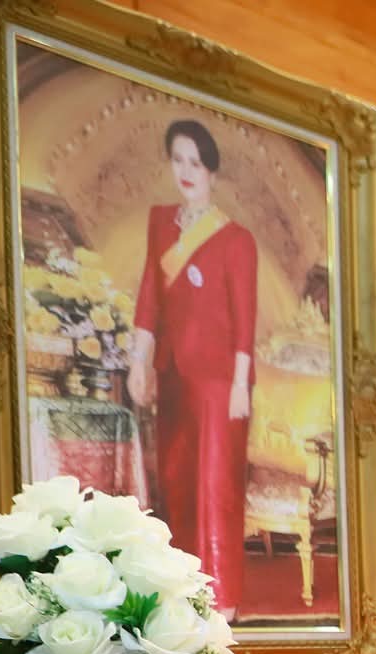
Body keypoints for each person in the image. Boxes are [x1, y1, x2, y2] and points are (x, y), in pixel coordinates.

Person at [127, 118, 258, 615]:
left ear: (211, 172)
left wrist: (241, 383)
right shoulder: (160, 222)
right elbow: (148, 299)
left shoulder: (235, 239)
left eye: (195, 163)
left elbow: (245, 317)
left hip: (221, 382)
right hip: (174, 375)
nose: (185, 171)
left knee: (215, 486)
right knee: (178, 482)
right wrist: (138, 362)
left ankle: (220, 598)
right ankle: (180, 591)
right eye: (177, 159)